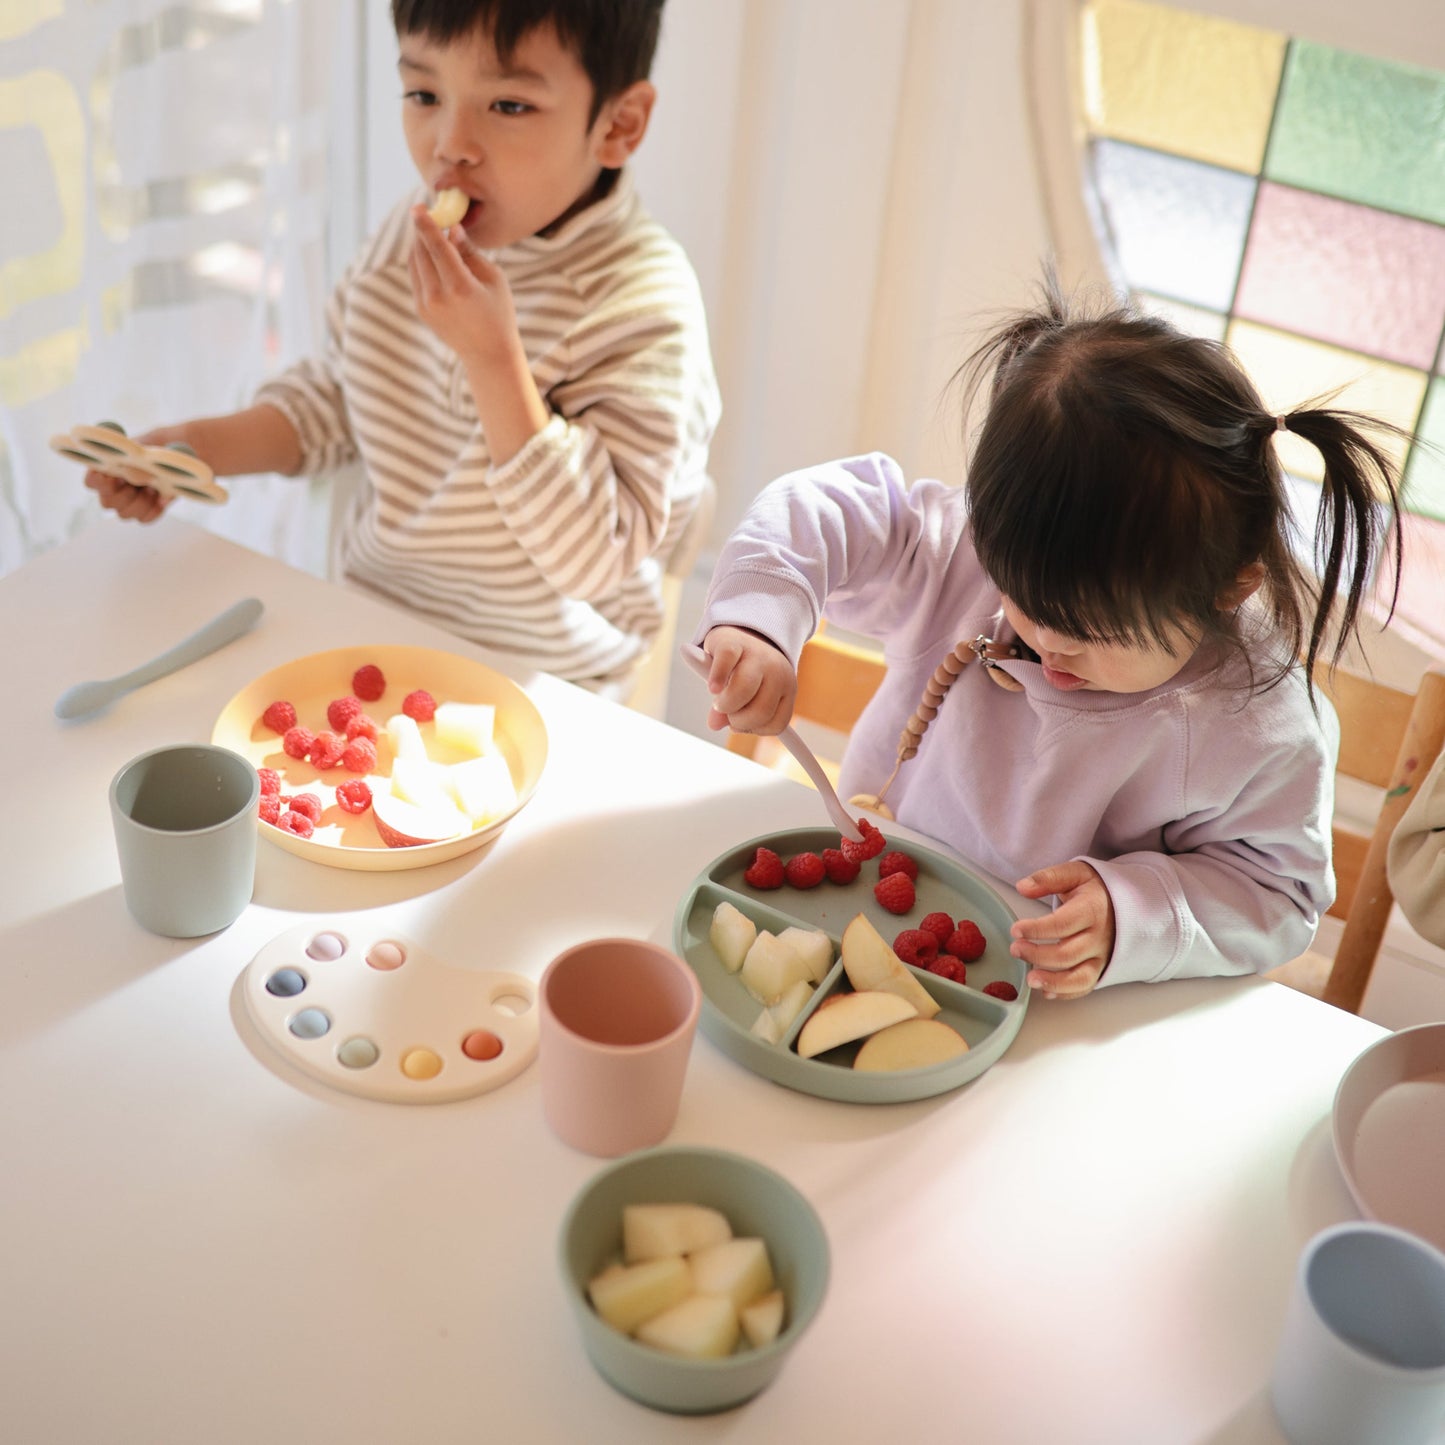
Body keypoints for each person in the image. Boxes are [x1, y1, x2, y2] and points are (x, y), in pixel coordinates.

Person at [694, 278, 1404, 1000]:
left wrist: (1133, 916)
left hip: (1052, 1001)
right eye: (1024, 600)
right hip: (870, 918)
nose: (1045, 643)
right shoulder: (961, 560)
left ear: (1229, 588)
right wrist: (758, 618)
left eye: (1094, 631)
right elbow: (829, 511)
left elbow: (1277, 897)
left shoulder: (1258, 727)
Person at [86, 0, 720, 695]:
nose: (450, 143)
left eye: (507, 105)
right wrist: (198, 450)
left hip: (544, 682)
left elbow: (596, 554)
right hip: (367, 631)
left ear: (618, 124)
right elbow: (337, 399)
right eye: (423, 93)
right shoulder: (408, 233)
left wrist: (492, 361)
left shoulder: (642, 310)